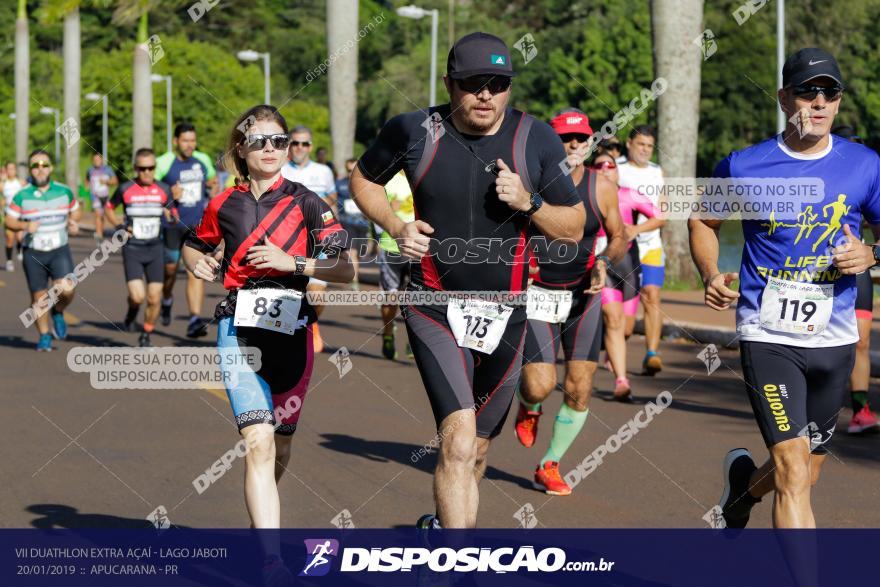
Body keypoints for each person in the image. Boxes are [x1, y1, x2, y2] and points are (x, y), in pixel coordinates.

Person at [351, 32, 585, 529]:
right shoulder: (414, 129)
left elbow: (575, 227)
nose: (486, 94)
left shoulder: (535, 138)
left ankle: (444, 533)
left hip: (509, 312)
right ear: (449, 83)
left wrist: (530, 203)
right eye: (473, 83)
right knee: (457, 441)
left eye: (498, 84)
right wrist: (396, 225)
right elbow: (363, 177)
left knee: (477, 449)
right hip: (433, 303)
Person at [691, 49, 880, 528]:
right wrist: (711, 272)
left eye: (829, 91)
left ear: (838, 103)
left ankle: (742, 491)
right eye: (806, 91)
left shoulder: (865, 165)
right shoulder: (743, 166)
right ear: (783, 98)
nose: (818, 102)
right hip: (768, 333)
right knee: (794, 468)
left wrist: (871, 255)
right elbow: (702, 219)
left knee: (804, 472)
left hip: (834, 340)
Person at [182, 105, 352, 579]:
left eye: (279, 140)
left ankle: (262, 518)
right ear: (242, 148)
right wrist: (194, 260)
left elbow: (344, 267)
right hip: (237, 329)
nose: (272, 149)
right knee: (257, 443)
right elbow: (195, 242)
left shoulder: (309, 202)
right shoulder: (223, 204)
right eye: (261, 141)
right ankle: (272, 561)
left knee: (280, 450)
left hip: (292, 334)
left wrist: (291, 262)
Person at [514, 109, 625, 496]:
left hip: (582, 295)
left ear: (591, 141)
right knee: (542, 384)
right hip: (536, 293)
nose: (574, 145)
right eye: (565, 138)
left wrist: (604, 264)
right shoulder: (531, 184)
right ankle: (529, 405)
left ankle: (550, 464)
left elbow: (619, 235)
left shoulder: (602, 186)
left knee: (580, 387)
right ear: (551, 142)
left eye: (581, 138)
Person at [595, 152, 662, 399]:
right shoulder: (588, 195)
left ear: (617, 171)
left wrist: (636, 228)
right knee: (613, 320)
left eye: (609, 165)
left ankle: (612, 350)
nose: (604, 169)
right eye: (599, 165)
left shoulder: (629, 195)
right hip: (603, 267)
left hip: (630, 268)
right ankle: (621, 381)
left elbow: (660, 217)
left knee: (625, 328)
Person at [4, 150, 81, 351]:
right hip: (34, 251)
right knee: (39, 298)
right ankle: (44, 335)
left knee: (67, 289)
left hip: (59, 249)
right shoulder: (22, 195)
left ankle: (59, 311)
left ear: (50, 168)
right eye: (35, 165)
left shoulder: (63, 191)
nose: (40, 169)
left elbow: (75, 209)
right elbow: (9, 220)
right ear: (31, 170)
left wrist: (74, 222)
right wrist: (24, 226)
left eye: (44, 165)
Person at [831, 125, 879, 433]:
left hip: (856, 268)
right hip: (814, 273)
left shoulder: (868, 179)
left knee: (861, 341)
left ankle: (861, 411)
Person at [104, 148, 174, 347]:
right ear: (135, 168)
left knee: (153, 298)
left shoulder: (164, 189)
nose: (147, 172)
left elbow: (173, 212)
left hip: (155, 248)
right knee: (137, 296)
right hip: (133, 248)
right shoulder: (126, 188)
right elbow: (109, 207)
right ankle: (132, 311)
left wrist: (172, 216)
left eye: (151, 168)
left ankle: (146, 333)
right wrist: (119, 227)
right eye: (142, 169)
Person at [156, 123, 218, 337]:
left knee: (196, 271)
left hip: (197, 225)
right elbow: (152, 187)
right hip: (173, 225)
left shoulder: (203, 161)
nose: (190, 145)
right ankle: (166, 299)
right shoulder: (164, 162)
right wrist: (169, 195)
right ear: (176, 141)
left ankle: (194, 319)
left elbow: (212, 179)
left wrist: (213, 191)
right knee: (170, 271)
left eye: (193, 140)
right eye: (185, 140)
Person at [281, 125, 338, 353]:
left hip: (318, 240)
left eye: (304, 143)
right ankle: (288, 333)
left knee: (316, 293)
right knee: (289, 293)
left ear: (310, 147)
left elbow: (333, 198)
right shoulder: (281, 169)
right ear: (288, 145)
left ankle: (311, 324)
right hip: (289, 241)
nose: (300, 148)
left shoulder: (323, 171)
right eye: (295, 143)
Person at [617, 125, 666, 375]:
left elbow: (664, 212)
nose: (646, 150)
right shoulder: (617, 169)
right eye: (641, 144)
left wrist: (639, 229)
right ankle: (614, 345)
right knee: (624, 321)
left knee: (652, 295)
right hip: (622, 249)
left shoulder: (658, 172)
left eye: (649, 146)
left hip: (650, 245)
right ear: (629, 143)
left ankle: (652, 354)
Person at [377, 169, 416, 360]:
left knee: (418, 298)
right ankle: (388, 334)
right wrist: (389, 209)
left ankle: (414, 340)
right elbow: (373, 211)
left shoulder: (423, 175)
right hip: (391, 246)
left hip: (419, 247)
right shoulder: (389, 181)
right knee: (390, 298)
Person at [335, 157, 364, 290]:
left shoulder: (366, 183)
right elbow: (333, 201)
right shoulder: (339, 183)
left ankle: (353, 274)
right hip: (347, 222)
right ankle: (355, 281)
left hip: (363, 224)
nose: (350, 173)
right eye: (348, 170)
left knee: (359, 255)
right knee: (352, 253)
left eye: (353, 170)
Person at [85, 153, 118, 244]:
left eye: (98, 160)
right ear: (92, 161)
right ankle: (99, 236)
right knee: (98, 215)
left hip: (105, 196)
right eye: (95, 160)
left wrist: (106, 181)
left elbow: (115, 181)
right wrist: (87, 187)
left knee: (104, 215)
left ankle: (102, 231)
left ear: (102, 160)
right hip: (95, 196)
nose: (97, 162)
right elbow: (87, 179)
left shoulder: (107, 169)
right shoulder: (90, 170)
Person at [3, 160, 26, 271]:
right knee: (10, 238)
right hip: (8, 214)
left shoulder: (21, 183)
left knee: (20, 237)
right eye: (9, 169)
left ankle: (20, 250)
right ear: (6, 170)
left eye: (13, 168)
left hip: (20, 214)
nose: (11, 171)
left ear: (15, 170)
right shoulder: (3, 184)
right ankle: (9, 261)